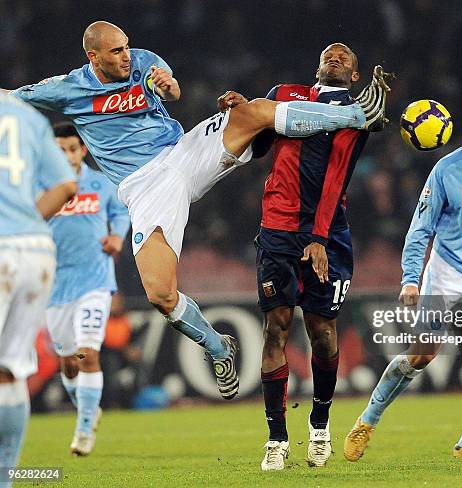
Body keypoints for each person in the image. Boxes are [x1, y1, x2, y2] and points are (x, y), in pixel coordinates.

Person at [3, 21, 390, 400]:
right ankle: (219, 347)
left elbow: (169, 89)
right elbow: (12, 98)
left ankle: (355, 115)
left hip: (183, 154)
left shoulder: (141, 61)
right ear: (94, 56)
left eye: (126, 46)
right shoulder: (67, 89)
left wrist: (169, 87)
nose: (126, 56)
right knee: (159, 294)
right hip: (145, 187)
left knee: (252, 111)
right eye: (116, 51)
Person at [344, 88, 462, 460]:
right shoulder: (447, 170)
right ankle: (366, 421)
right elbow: (420, 228)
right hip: (447, 272)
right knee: (422, 355)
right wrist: (411, 278)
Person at [248, 43, 391, 471]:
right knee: (276, 326)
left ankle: (320, 426)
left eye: (346, 58)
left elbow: (335, 179)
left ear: (354, 75)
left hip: (327, 233)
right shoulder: (285, 93)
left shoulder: (358, 113)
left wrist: (320, 239)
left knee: (322, 332)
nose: (337, 58)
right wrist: (244, 112)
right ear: (317, 65)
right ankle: (276, 439)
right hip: (277, 227)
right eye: (330, 54)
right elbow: (257, 147)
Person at [0, 93, 77, 477]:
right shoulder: (26, 115)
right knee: (10, 371)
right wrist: (25, 223)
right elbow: (66, 185)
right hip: (36, 249)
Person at [45, 122, 130, 456]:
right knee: (68, 362)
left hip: (94, 282)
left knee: (87, 354)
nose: (66, 155)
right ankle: (88, 408)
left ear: (82, 149)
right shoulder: (41, 186)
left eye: (71, 148)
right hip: (55, 288)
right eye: (59, 150)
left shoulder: (100, 182)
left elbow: (120, 211)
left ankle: (83, 432)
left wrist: (117, 236)